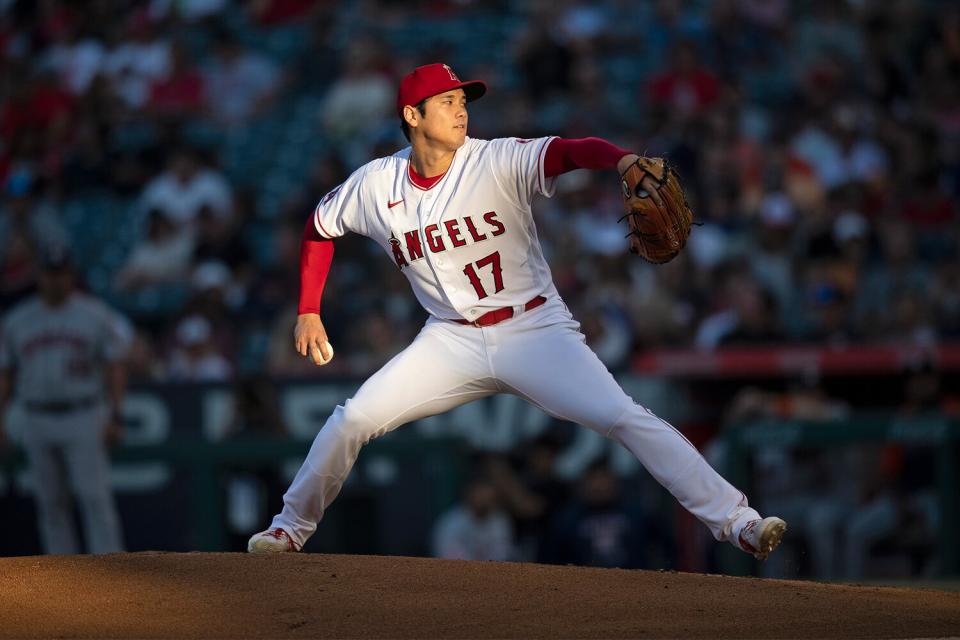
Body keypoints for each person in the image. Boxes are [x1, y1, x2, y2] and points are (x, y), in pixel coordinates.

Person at [247, 63, 786, 561]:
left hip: (534, 330)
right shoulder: (375, 184)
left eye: (464, 100)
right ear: (413, 116)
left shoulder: (495, 158)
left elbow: (570, 151)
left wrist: (619, 158)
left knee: (623, 416)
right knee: (353, 419)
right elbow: (320, 226)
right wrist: (309, 310)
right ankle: (289, 528)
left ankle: (737, 519)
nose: (462, 110)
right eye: (447, 101)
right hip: (449, 341)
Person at [0, 248, 132, 554]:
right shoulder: (17, 319)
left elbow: (115, 366)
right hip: (36, 415)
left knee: (94, 497)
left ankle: (111, 568)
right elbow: (5, 373)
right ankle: (62, 577)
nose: (55, 280)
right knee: (50, 502)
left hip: (82, 412)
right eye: (50, 273)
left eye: (61, 273)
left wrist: (116, 415)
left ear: (71, 276)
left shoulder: (95, 313)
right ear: (40, 276)